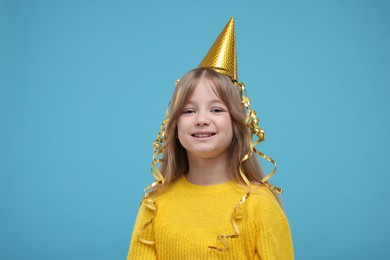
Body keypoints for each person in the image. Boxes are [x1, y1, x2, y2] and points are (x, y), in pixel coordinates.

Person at [127, 17, 294, 259]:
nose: (201, 119)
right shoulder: (155, 204)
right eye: (188, 110)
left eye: (216, 109)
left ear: (237, 124)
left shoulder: (259, 205)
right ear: (174, 127)